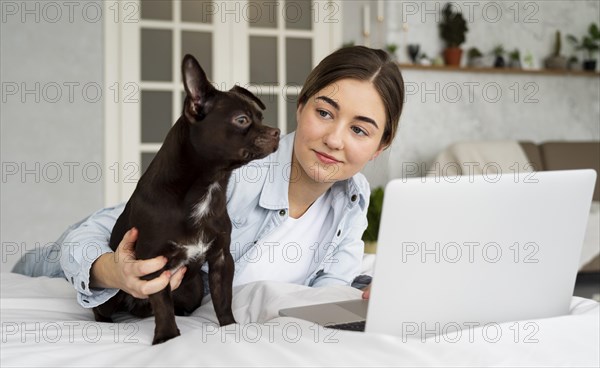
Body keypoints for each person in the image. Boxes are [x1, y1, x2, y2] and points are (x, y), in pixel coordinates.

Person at [13, 45, 404, 308]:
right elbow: (101, 231)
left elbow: (327, 288)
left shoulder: (354, 196)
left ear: (381, 144)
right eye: (324, 112)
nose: (334, 139)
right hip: (64, 270)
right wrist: (112, 271)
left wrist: (364, 297)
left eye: (359, 129)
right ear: (301, 106)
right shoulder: (234, 169)